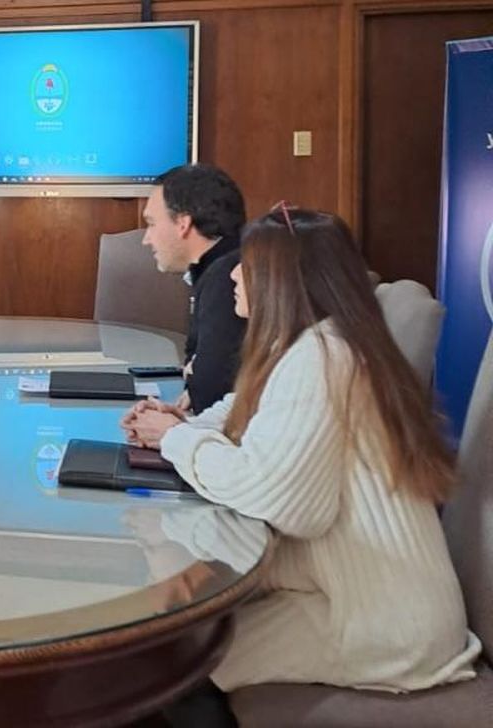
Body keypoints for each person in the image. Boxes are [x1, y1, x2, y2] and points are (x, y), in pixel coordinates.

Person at [122, 206, 481, 726]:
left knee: (171, 658)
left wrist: (176, 438)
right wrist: (176, 427)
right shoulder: (313, 345)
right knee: (172, 641)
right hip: (351, 597)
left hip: (380, 621)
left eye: (247, 264)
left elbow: (280, 500)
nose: (235, 274)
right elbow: (235, 414)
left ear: (282, 280)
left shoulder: (323, 358)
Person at [141, 164, 247, 414]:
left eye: (152, 223)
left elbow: (209, 392)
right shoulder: (221, 265)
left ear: (183, 224)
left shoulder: (228, 278)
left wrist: (196, 380)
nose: (146, 239)